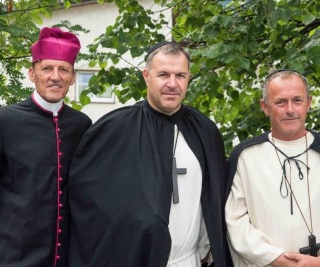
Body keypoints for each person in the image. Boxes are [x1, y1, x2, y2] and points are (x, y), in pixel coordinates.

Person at [68, 41, 230, 267]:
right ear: (146, 76)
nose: (172, 84)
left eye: (180, 75)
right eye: (163, 74)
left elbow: (217, 202)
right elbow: (88, 208)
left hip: (190, 260)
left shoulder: (204, 131)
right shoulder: (114, 129)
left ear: (189, 78)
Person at [0, 27, 92, 267]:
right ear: (32, 74)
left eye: (63, 70)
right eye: (47, 68)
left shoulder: (82, 125)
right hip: (14, 256)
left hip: (67, 259)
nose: (55, 76)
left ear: (72, 77)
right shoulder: (5, 120)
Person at [225, 69, 320, 267]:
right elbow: (236, 222)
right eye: (280, 102)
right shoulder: (245, 157)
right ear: (265, 107)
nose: (290, 109)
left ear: (309, 103)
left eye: (297, 100)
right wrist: (276, 259)